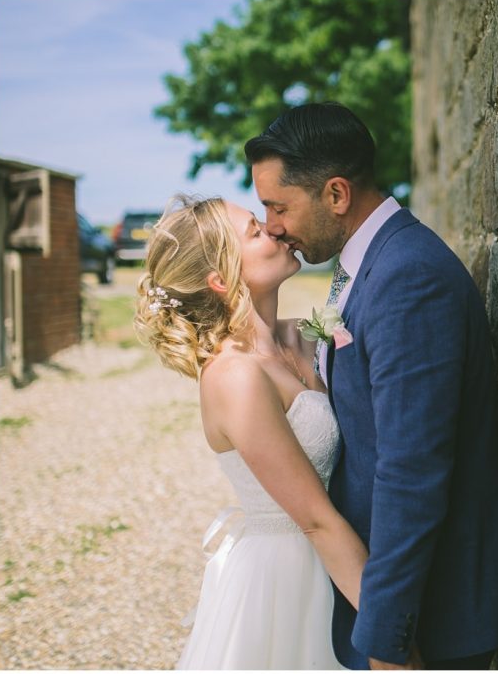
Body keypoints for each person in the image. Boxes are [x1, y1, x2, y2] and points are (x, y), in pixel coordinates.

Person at [245, 102, 498, 670]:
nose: (271, 224)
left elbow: (411, 471)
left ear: (336, 195)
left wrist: (387, 637)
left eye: (278, 206)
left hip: (432, 620)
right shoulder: (369, 263)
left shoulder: (406, 277)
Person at [134, 194, 368, 669]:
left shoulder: (306, 336)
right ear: (220, 280)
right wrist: (392, 628)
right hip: (287, 579)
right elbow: (316, 520)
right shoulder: (234, 377)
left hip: (338, 556)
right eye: (256, 232)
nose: (276, 230)